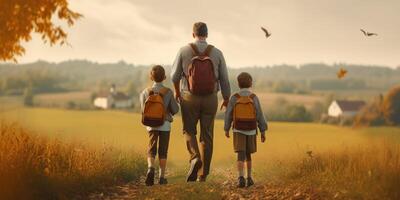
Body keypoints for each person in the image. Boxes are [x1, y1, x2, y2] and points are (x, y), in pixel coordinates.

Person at [171, 22, 231, 182]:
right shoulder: (217, 53)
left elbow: (174, 76)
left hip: (189, 97)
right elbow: (225, 79)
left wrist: (177, 91)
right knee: (207, 135)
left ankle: (195, 157)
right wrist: (226, 98)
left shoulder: (183, 50)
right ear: (207, 34)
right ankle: (203, 174)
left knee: (189, 130)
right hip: (211, 97)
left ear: (193, 34)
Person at [224, 72, 268, 188]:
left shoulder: (234, 98)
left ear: (238, 84)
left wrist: (226, 128)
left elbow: (228, 114)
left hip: (238, 130)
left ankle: (240, 178)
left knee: (240, 154)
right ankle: (249, 178)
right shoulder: (254, 97)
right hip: (251, 130)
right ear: (250, 83)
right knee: (248, 155)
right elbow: (260, 115)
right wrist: (263, 131)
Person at [140, 65, 179, 186]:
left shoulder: (145, 92)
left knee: (151, 149)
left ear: (151, 77)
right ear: (164, 77)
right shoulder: (168, 92)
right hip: (165, 125)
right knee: (163, 151)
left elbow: (143, 109)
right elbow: (175, 110)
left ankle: (150, 168)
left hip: (151, 125)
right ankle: (161, 177)